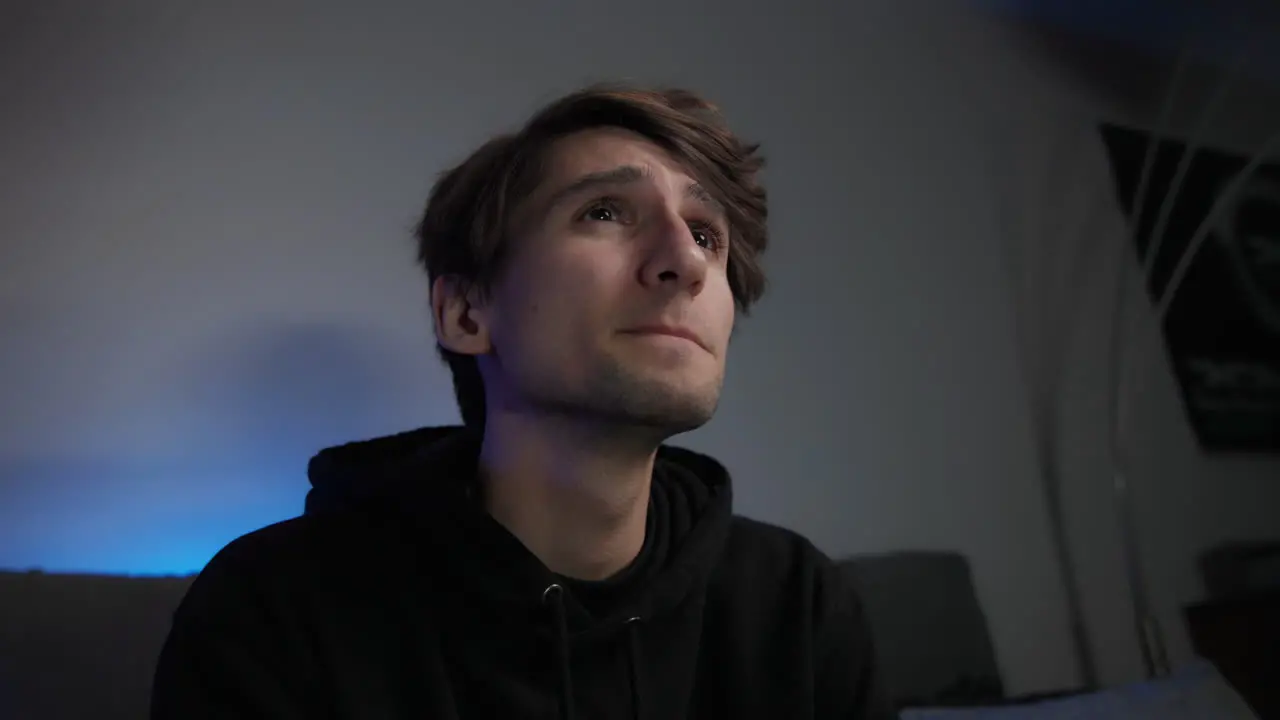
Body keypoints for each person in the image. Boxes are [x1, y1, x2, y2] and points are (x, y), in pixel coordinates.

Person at [151, 83, 893, 720]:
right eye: (605, 211)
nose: (687, 260)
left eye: (707, 233)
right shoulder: (274, 612)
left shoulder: (798, 610)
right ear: (467, 314)